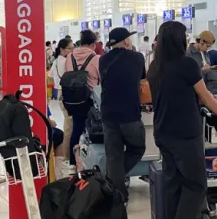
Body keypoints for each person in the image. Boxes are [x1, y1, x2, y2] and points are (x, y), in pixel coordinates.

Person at [148, 21, 217, 219]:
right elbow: (204, 96)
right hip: (185, 132)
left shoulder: (155, 66)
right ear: (179, 40)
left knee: (174, 184)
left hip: (163, 132)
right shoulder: (186, 64)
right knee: (195, 185)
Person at [99, 27, 146, 202]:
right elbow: (142, 78)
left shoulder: (103, 60)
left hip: (108, 113)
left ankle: (117, 191)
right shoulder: (137, 58)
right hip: (130, 113)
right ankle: (112, 179)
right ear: (126, 41)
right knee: (137, 148)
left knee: (113, 155)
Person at [63, 29, 101, 175]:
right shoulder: (96, 58)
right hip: (90, 99)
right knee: (93, 130)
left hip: (73, 99)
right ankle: (89, 162)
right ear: (92, 44)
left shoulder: (70, 57)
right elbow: (100, 79)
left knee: (76, 129)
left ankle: (74, 162)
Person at [49, 38, 74, 176]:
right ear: (63, 49)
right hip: (67, 93)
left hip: (59, 92)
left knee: (67, 123)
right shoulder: (66, 62)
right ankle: (66, 157)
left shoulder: (56, 61)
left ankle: (66, 156)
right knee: (69, 126)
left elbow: (51, 76)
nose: (72, 50)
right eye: (70, 48)